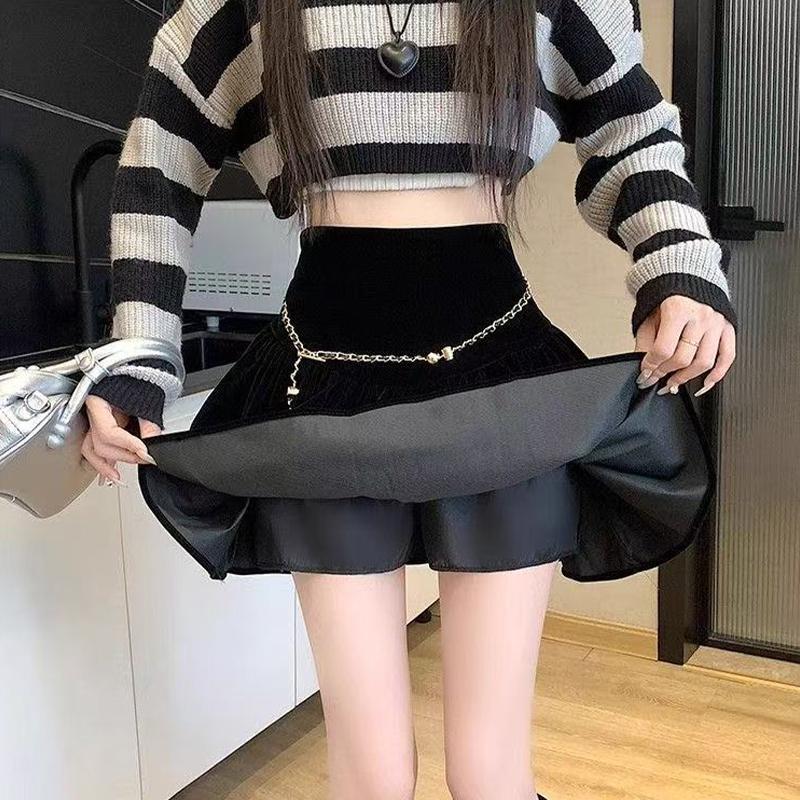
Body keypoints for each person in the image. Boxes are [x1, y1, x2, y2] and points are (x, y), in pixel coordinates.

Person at [80, 1, 737, 798]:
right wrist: (138, 355)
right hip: (323, 387)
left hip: (501, 377)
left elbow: (631, 126)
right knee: (373, 777)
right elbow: (159, 162)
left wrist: (680, 265)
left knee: (490, 776)